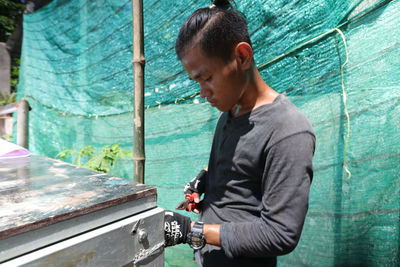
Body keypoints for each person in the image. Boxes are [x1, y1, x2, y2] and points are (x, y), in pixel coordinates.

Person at [163, 0, 316, 266]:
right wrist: (206, 181)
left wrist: (192, 232)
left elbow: (280, 233)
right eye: (197, 81)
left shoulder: (289, 130)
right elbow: (243, 173)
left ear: (242, 56)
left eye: (207, 77)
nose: (202, 92)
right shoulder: (229, 113)